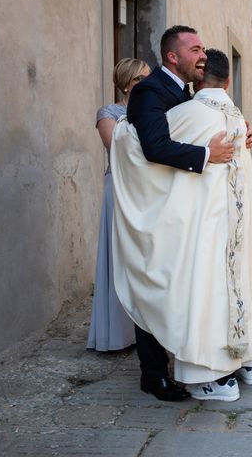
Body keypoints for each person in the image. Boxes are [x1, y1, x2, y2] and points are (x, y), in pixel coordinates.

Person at [111, 47, 252, 402]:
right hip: (227, 222)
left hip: (198, 221)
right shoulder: (233, 116)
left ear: (202, 73)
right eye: (193, 47)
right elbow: (155, 146)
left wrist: (121, 131)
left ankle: (206, 373)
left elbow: (132, 143)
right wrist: (210, 151)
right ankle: (243, 360)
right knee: (229, 284)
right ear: (228, 80)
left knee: (200, 288)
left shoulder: (186, 111)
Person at [87, 58, 150, 352]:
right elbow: (117, 147)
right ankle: (118, 333)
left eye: (147, 78)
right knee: (118, 255)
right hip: (120, 187)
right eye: (139, 79)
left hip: (148, 190)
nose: (145, 84)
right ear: (126, 84)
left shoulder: (155, 110)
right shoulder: (109, 114)